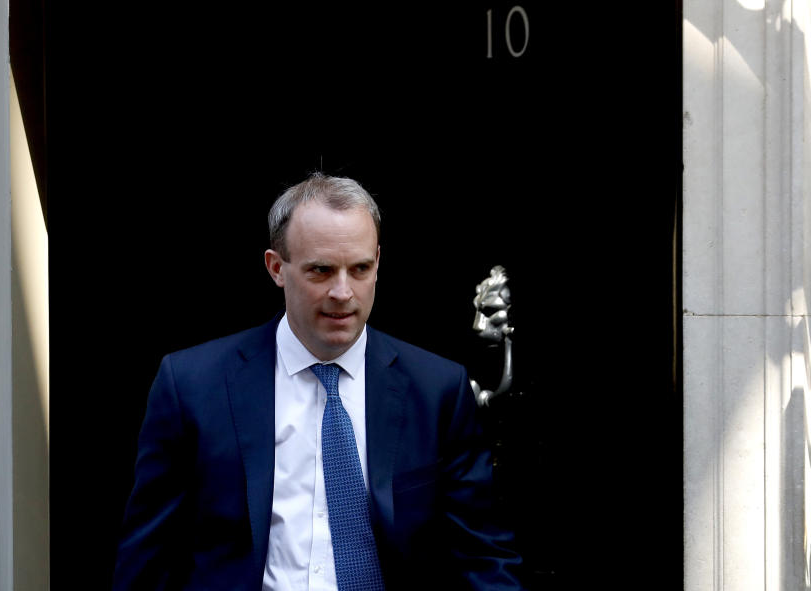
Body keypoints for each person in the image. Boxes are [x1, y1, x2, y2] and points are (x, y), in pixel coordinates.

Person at [112, 173, 524, 590]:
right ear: (277, 268)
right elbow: (148, 560)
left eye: (360, 268)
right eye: (321, 271)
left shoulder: (437, 389)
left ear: (378, 262)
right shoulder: (192, 386)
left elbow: (483, 553)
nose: (343, 292)